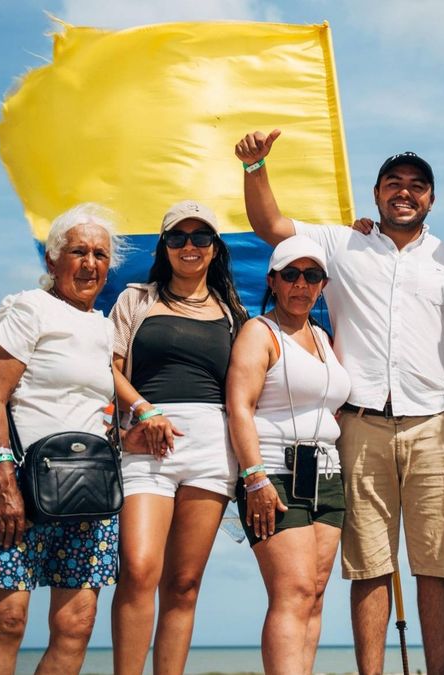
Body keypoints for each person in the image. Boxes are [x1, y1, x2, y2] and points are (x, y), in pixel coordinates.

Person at [234, 134, 444, 675]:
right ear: (376, 194)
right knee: (370, 566)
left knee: (438, 565)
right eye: (394, 184)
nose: (404, 193)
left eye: (417, 186)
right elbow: (271, 227)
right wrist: (256, 167)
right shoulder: (340, 245)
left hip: (435, 423)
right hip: (359, 426)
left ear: (431, 199)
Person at [0, 203, 125, 675]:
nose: (91, 263)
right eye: (79, 251)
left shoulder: (104, 326)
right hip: (19, 484)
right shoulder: (28, 308)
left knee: (77, 623)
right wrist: (4, 484)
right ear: (52, 260)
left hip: (89, 492)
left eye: (100, 254)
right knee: (8, 618)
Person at [108, 200, 249, 675]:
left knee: (185, 583)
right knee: (139, 569)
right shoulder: (136, 299)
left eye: (200, 237)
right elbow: (106, 368)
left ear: (215, 248)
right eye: (178, 238)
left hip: (212, 449)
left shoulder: (235, 313)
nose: (190, 246)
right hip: (147, 443)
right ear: (164, 247)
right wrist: (143, 410)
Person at [226, 235, 351, 675]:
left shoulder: (322, 335)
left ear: (322, 284)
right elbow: (239, 406)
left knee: (315, 593)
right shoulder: (258, 332)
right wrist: (254, 477)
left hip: (327, 476)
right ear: (273, 281)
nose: (302, 284)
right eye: (292, 275)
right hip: (275, 474)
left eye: (313, 275)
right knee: (292, 590)